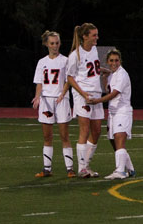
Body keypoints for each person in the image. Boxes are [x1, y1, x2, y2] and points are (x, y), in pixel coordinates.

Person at [32, 30, 74, 178]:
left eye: (57, 43)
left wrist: (63, 94)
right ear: (46, 44)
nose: (55, 46)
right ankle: (47, 169)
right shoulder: (42, 62)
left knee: (64, 135)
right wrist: (37, 97)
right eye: (52, 43)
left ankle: (70, 168)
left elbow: (68, 80)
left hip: (61, 100)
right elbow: (39, 83)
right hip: (46, 101)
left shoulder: (65, 60)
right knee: (47, 136)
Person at [87, 49, 134, 180]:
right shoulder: (113, 75)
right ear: (107, 62)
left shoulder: (122, 74)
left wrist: (97, 101)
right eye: (111, 61)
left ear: (120, 61)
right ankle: (130, 168)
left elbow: (113, 94)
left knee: (119, 140)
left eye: (116, 60)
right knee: (114, 141)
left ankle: (120, 171)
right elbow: (108, 88)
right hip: (113, 112)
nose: (114, 63)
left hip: (122, 111)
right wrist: (104, 75)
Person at [66, 23, 103, 178]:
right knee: (85, 130)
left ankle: (86, 165)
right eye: (94, 35)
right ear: (85, 36)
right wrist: (83, 93)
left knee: (97, 131)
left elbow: (93, 69)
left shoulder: (94, 50)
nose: (97, 38)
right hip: (83, 96)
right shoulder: (75, 55)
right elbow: (69, 77)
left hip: (96, 94)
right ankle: (82, 167)